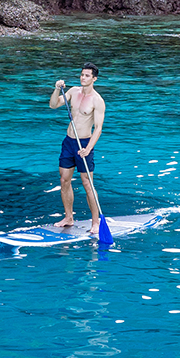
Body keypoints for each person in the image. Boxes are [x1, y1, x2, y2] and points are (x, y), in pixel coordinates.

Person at [49, 62, 106, 232]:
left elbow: (99, 128)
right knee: (64, 180)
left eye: (87, 75)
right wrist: (57, 89)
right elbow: (53, 105)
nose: (83, 77)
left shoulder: (97, 100)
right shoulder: (73, 91)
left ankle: (95, 222)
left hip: (84, 144)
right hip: (69, 142)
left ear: (94, 78)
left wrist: (88, 148)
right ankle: (68, 217)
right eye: (82, 74)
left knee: (87, 183)